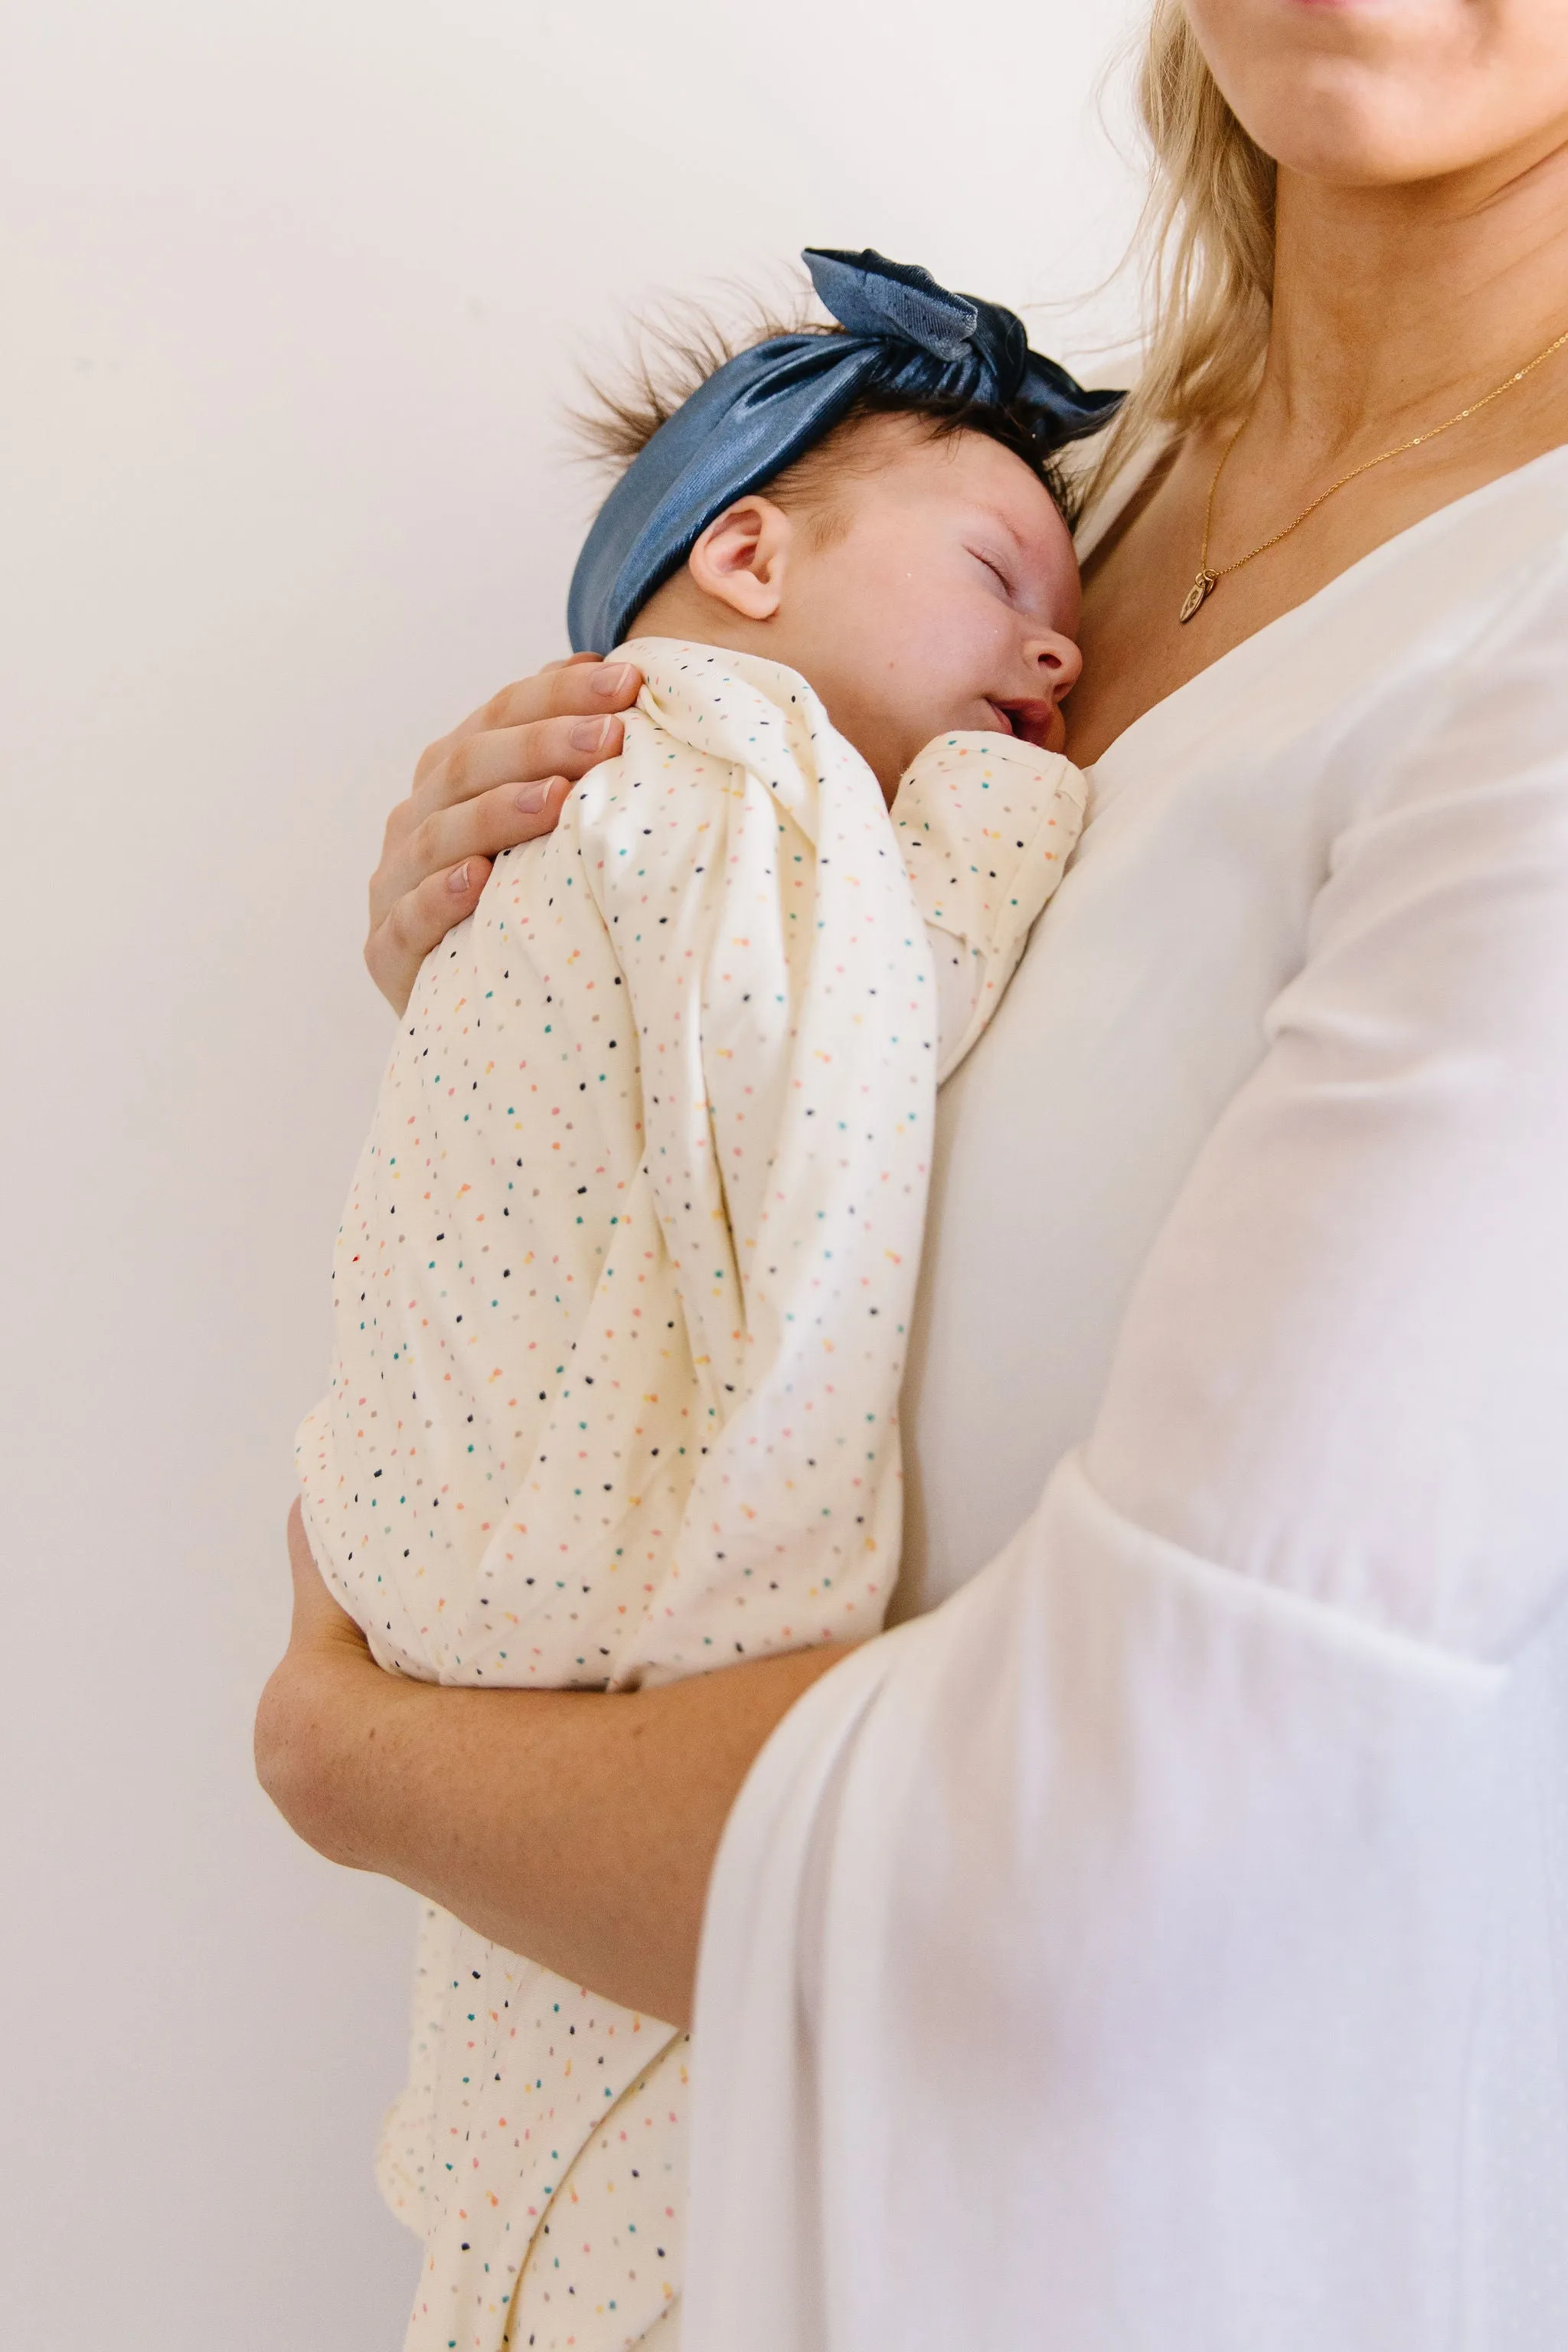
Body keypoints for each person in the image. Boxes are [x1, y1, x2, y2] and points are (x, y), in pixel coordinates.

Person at [256, 2, 1568, 2344]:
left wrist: (355, 1759)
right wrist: (547, 972)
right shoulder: (1074, 489)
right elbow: (857, 1191)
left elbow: (1112, 1874)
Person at [297, 247, 1104, 2351]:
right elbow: (822, 1099)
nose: (1057, 642)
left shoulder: (639, 799)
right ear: (746, 554)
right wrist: (1007, 823)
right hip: (572, 1603)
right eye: (1003, 567)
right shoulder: (727, 767)